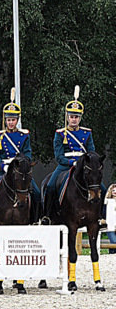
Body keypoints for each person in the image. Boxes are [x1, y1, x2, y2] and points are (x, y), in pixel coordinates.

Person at [0, 89, 41, 225]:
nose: (11, 123)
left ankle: (35, 221)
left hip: (19, 170)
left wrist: (23, 163)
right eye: (8, 120)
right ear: (5, 120)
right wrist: (3, 166)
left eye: (13, 120)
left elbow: (28, 153)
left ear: (17, 120)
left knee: (36, 193)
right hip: (2, 170)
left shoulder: (23, 135)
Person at [43, 86, 95, 223]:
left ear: (80, 118)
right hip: (66, 165)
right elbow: (59, 156)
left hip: (83, 167)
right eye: (72, 117)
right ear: (67, 117)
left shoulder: (86, 133)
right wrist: (72, 163)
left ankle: (99, 216)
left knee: (99, 187)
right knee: (50, 186)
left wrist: (86, 163)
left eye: (76, 117)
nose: (74, 120)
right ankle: (47, 215)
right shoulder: (60, 133)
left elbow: (91, 152)